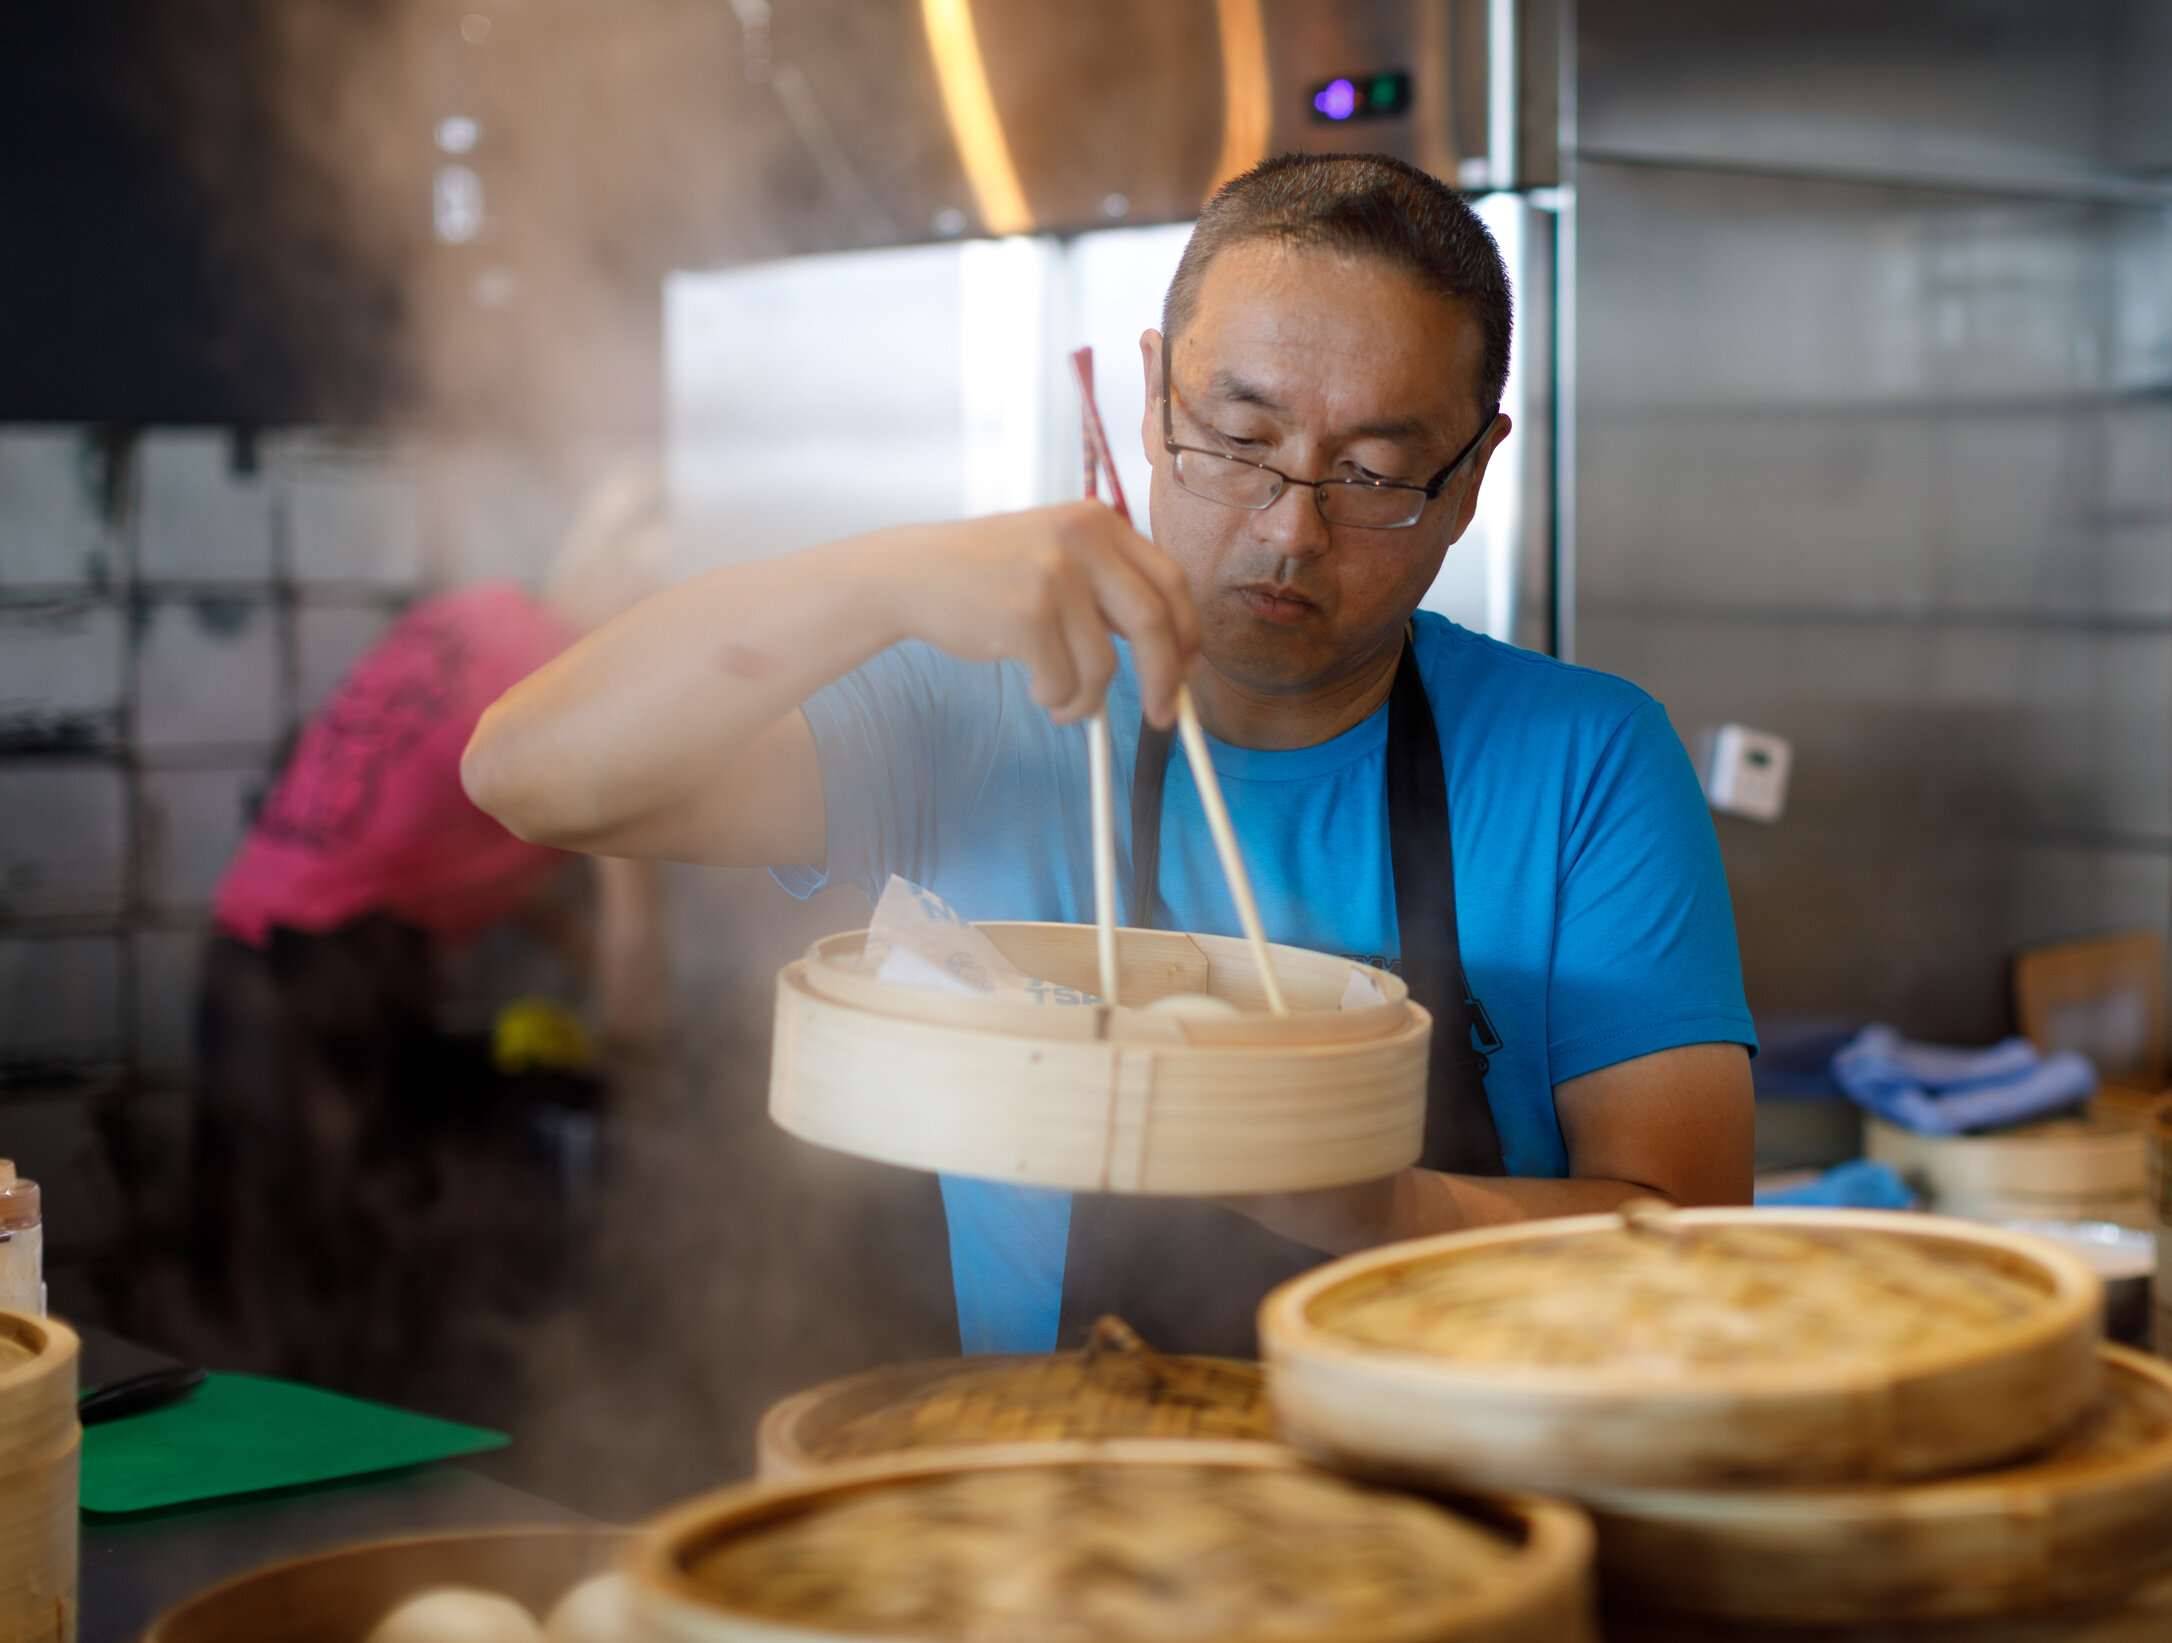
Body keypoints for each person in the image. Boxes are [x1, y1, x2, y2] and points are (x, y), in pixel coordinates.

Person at [464, 154, 1756, 1358]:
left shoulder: (1581, 758)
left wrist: (1379, 1207)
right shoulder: (974, 710)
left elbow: (1690, 1235)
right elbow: (531, 774)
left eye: (1372, 472)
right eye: (1238, 437)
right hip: (1067, 1503)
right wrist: (881, 575)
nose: (1289, 526)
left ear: (1472, 478)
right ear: (1150, 398)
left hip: (1473, 1495)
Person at [195, 464, 672, 1387]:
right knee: (352, 1298)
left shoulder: (475, 619)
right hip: (336, 986)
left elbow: (428, 833)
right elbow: (635, 924)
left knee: (256, 1283)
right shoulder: (591, 687)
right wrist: (643, 1075)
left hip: (236, 956)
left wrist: (565, 952)